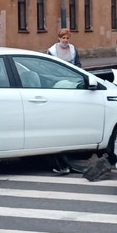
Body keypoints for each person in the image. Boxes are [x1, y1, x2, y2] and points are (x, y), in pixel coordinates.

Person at [46, 28, 81, 174]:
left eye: (67, 38)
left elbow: (78, 65)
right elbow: (47, 67)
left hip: (72, 82)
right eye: (63, 38)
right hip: (57, 82)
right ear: (59, 38)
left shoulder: (73, 50)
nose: (65, 40)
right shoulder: (52, 51)